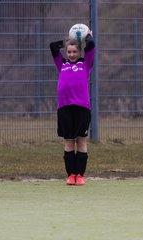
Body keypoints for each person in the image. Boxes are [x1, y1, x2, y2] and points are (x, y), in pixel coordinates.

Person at [49, 28, 95, 186]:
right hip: (65, 107)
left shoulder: (85, 64)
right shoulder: (62, 64)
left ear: (79, 52)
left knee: (81, 141)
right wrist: (68, 40)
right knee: (69, 142)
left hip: (82, 107)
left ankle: (80, 175)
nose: (71, 54)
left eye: (75, 51)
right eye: (69, 51)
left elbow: (91, 45)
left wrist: (87, 35)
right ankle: (71, 175)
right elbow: (52, 46)